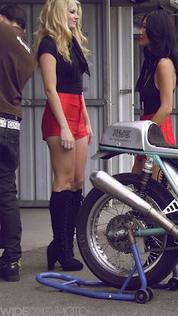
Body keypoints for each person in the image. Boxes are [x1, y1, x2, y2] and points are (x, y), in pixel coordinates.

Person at [35, 0, 92, 271]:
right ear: (59, 13)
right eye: (71, 11)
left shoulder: (74, 44)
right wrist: (65, 126)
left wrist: (87, 121)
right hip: (59, 116)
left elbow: (79, 89)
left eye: (77, 12)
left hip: (77, 113)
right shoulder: (48, 45)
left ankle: (63, 246)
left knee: (78, 181)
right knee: (64, 180)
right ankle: (61, 248)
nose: (76, 16)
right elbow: (50, 90)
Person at [0, 5, 34, 282]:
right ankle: (11, 260)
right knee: (7, 191)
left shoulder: (3, 32)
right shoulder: (26, 51)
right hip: (11, 124)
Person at [132, 10, 178, 176]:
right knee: (137, 185)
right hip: (149, 127)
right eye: (142, 27)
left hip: (157, 130)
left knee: (152, 191)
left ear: (157, 32)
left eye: (146, 28)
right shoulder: (150, 64)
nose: (140, 32)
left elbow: (167, 107)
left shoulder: (164, 64)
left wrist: (146, 133)